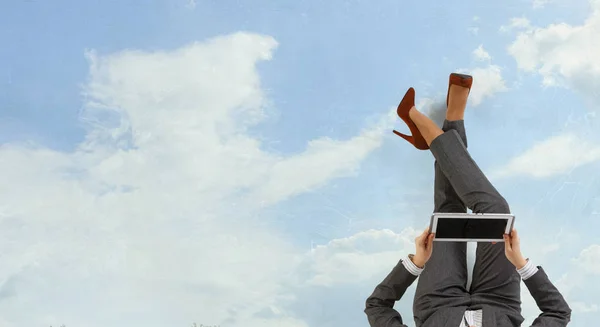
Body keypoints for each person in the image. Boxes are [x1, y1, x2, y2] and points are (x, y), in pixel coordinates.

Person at [364, 74, 572, 327]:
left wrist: (415, 264)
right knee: (496, 211)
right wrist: (521, 264)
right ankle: (435, 126)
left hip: (438, 299)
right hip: (499, 299)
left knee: (448, 213)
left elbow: (377, 307)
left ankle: (438, 123)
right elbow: (558, 314)